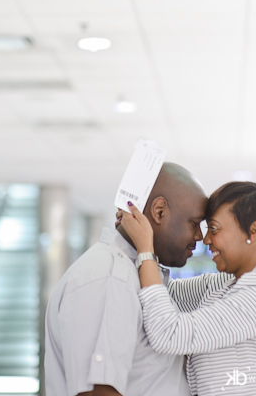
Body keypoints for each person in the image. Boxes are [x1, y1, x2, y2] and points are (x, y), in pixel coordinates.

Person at [121, 181, 256, 396]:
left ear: (253, 231)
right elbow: (159, 293)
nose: (206, 240)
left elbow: (169, 334)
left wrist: (145, 249)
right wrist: (139, 237)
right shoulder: (225, 284)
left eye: (214, 229)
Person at [44, 162, 208, 396]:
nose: (200, 236)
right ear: (159, 211)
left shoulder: (132, 274)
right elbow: (98, 391)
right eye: (194, 223)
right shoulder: (111, 278)